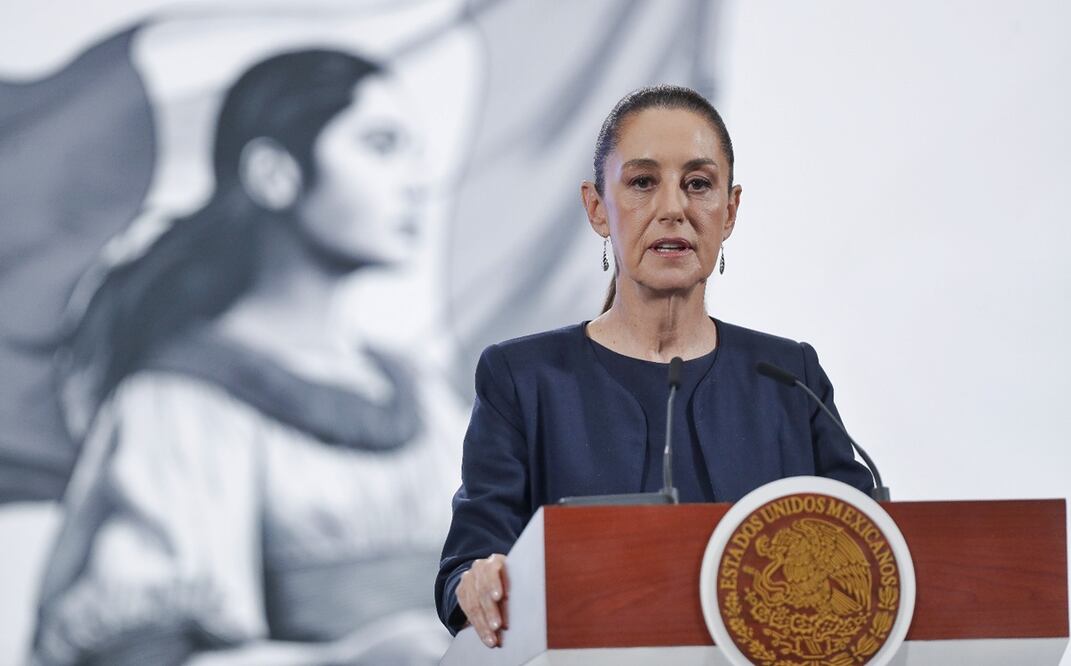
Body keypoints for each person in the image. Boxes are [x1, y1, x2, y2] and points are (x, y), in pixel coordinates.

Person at [33, 49, 464, 665]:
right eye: (380, 144)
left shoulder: (423, 396)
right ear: (273, 173)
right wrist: (342, 661)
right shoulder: (182, 403)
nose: (418, 180)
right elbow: (144, 652)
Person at [434, 84, 874, 648]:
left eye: (699, 184)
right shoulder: (523, 379)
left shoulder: (791, 379)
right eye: (643, 183)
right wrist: (479, 581)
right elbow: (466, 567)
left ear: (730, 210)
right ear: (597, 208)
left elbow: (868, 544)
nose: (674, 209)